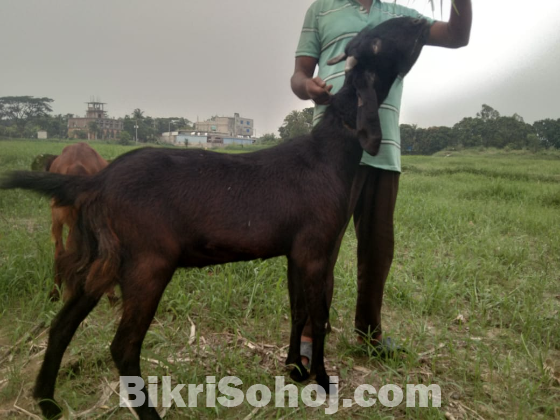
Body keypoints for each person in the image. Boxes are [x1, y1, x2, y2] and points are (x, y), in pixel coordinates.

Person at [291, 0, 472, 366]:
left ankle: (368, 332)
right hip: (332, 151)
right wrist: (309, 87)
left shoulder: (402, 19)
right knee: (320, 247)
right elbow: (298, 76)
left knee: (377, 248)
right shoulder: (321, 10)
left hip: (382, 148)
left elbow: (456, 36)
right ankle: (309, 334)